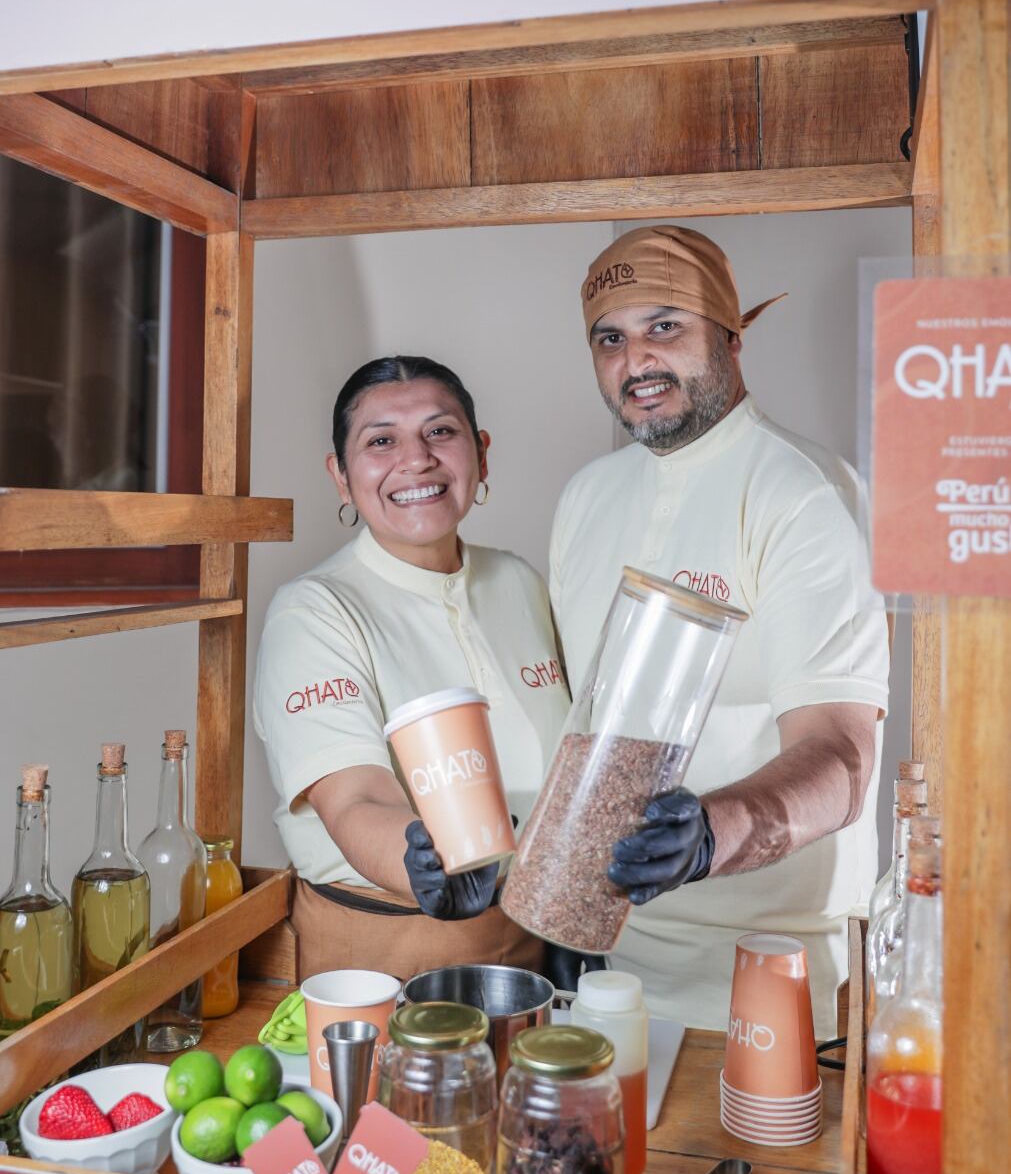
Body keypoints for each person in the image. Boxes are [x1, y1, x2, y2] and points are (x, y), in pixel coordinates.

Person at [550, 226, 890, 1032]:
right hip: (608, 968)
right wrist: (555, 906)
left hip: (775, 976)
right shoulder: (584, 499)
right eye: (611, 338)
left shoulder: (802, 493)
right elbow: (584, 730)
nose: (636, 362)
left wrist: (710, 832)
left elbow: (841, 754)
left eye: (663, 327)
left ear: (731, 336)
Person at [253, 354, 571, 983]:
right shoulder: (314, 612)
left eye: (440, 431)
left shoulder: (519, 582)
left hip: (534, 943)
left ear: (479, 453)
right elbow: (355, 798)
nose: (416, 458)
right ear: (341, 477)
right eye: (380, 441)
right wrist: (427, 862)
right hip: (384, 958)